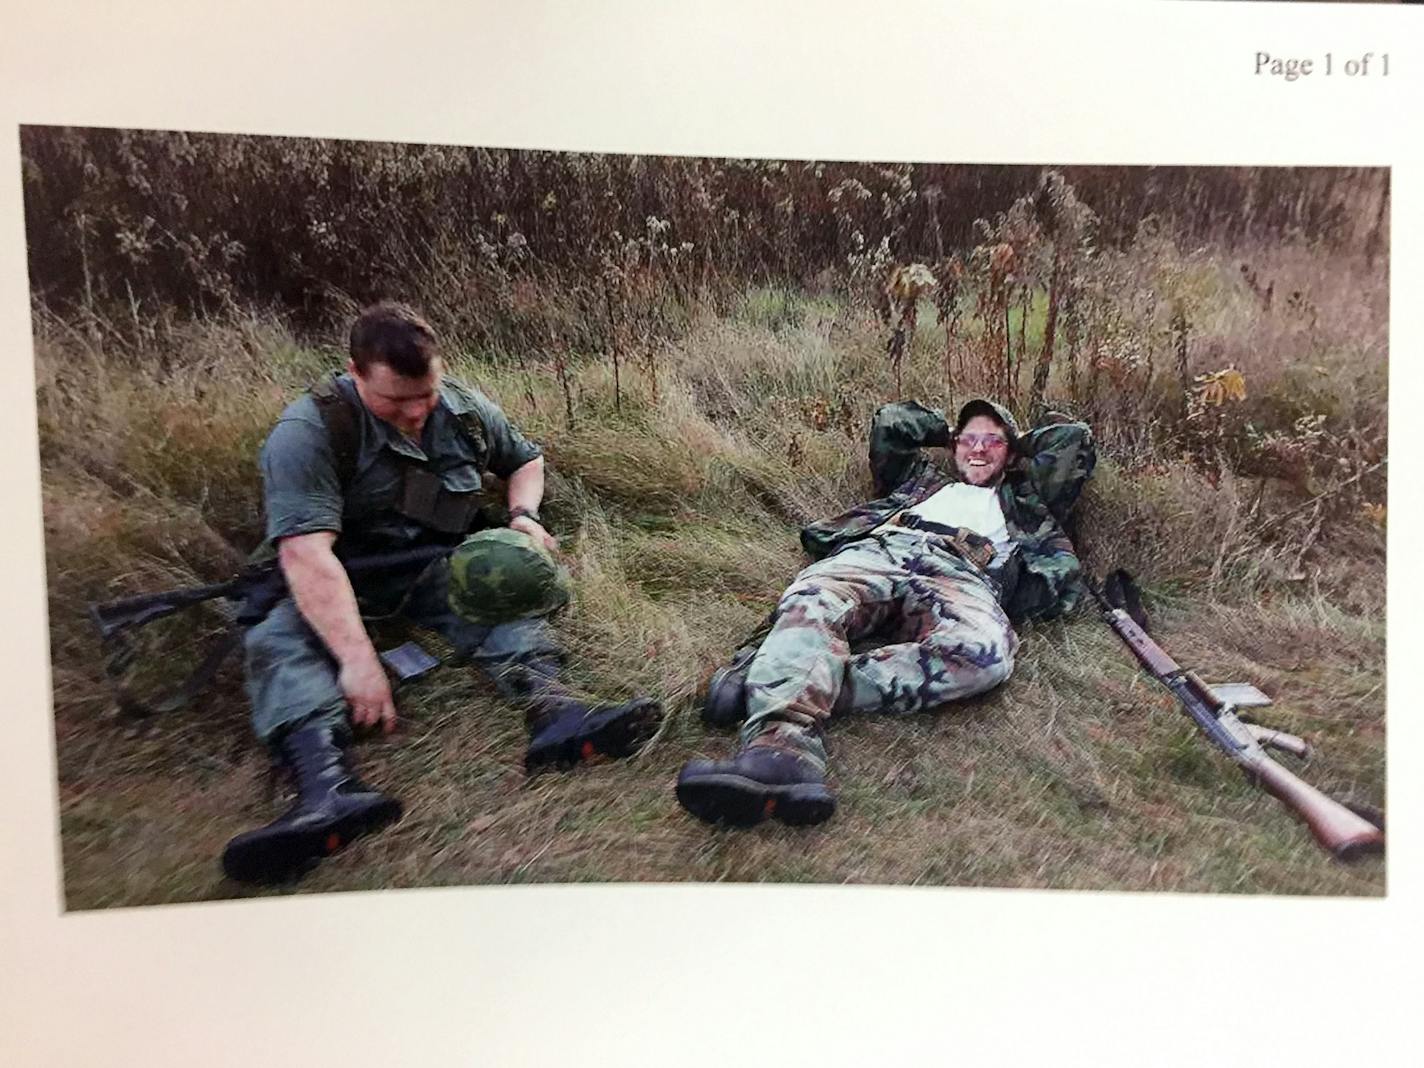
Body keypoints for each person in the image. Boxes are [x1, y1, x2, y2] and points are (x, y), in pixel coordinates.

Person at [222, 301, 662, 883]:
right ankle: (324, 790)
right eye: (395, 401)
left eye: (424, 394)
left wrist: (523, 515)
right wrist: (357, 661)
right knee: (278, 637)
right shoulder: (308, 433)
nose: (415, 412)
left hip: (426, 564)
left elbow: (525, 459)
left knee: (495, 582)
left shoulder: (463, 409)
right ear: (355, 373)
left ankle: (555, 713)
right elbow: (307, 555)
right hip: (334, 572)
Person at [675, 398, 1093, 827]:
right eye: (968, 440)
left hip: (963, 570)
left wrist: (1016, 439)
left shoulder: (1026, 498)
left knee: (985, 656)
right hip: (883, 548)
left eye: (992, 441)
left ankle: (782, 677)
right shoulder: (921, 481)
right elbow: (892, 424)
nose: (978, 449)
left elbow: (1072, 440)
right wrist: (950, 433)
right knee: (814, 598)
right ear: (952, 447)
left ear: (1011, 450)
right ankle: (781, 752)